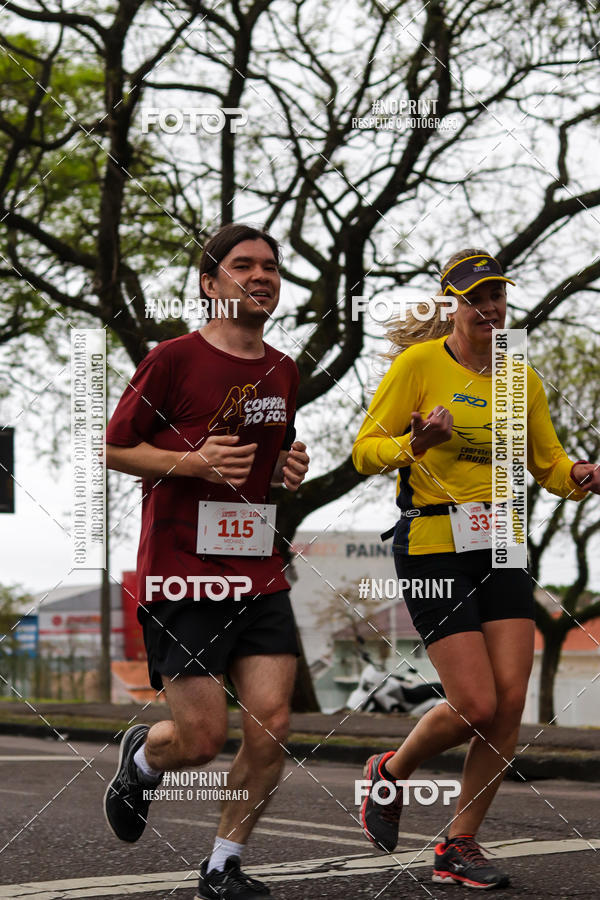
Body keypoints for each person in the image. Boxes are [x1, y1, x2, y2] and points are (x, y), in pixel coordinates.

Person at [352, 249, 600, 890]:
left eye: (497, 296)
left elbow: (548, 464)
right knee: (474, 703)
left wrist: (580, 476)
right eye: (475, 298)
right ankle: (388, 772)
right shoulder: (419, 364)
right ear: (453, 306)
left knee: (509, 703)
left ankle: (457, 843)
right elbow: (364, 452)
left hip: (502, 544)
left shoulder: (520, 376)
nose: (490, 308)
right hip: (433, 543)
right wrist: (415, 444)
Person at [103, 223, 309, 900]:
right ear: (209, 283)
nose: (262, 276)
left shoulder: (284, 369)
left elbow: (264, 464)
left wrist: (284, 468)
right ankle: (142, 758)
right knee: (200, 741)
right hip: (183, 571)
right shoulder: (171, 359)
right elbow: (113, 448)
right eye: (243, 265)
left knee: (273, 725)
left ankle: (223, 864)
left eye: (270, 267)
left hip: (258, 568)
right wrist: (191, 463)